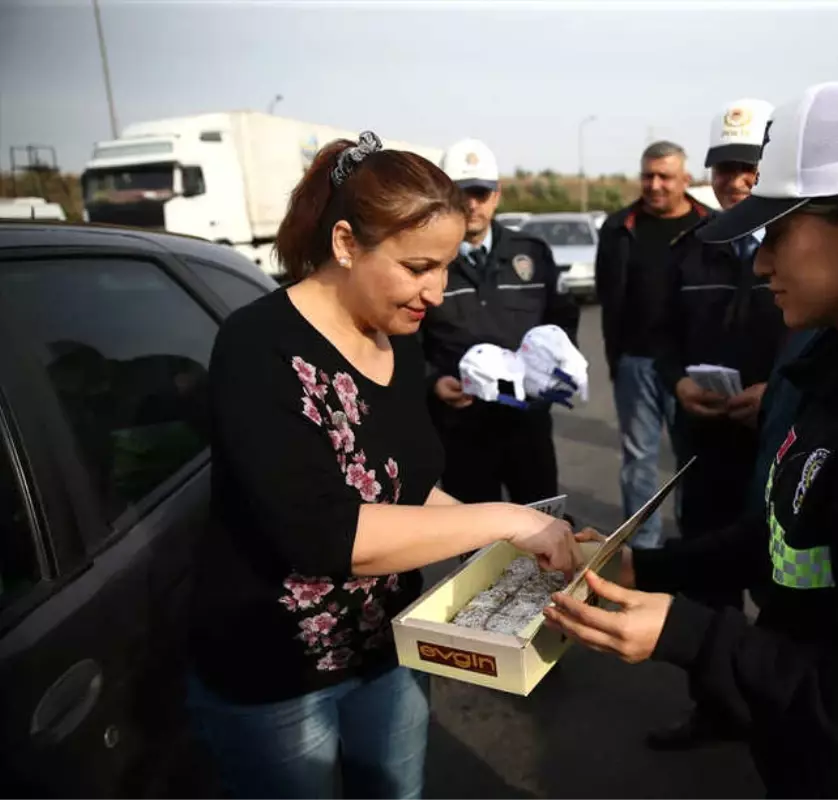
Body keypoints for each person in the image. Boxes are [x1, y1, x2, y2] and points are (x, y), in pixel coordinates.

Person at [547, 82, 838, 799]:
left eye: (777, 232)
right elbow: (790, 539)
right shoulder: (837, 371)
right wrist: (644, 570)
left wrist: (690, 636)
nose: (761, 262)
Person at [186, 132, 583, 800]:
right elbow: (326, 536)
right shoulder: (259, 347)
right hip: (274, 673)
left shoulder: (394, 338)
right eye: (418, 266)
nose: (436, 291)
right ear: (346, 244)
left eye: (447, 267)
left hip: (387, 654)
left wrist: (532, 539)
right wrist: (509, 518)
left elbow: (407, 485)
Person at [646, 98, 787, 749]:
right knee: (709, 580)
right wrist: (677, 384)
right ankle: (716, 708)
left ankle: (781, 709)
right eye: (727, 167)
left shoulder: (799, 244)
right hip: (707, 443)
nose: (737, 181)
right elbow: (664, 339)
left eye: (750, 166)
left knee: (785, 585)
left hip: (781, 445)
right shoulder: (691, 248)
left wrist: (775, 392)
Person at [421, 138, 579, 504]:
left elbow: (563, 322)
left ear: (496, 194)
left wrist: (554, 367)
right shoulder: (425, 261)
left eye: (480, 192)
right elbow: (405, 342)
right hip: (461, 431)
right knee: (477, 546)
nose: (472, 204)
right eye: (462, 193)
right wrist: (433, 381)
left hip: (527, 423)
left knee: (541, 533)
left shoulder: (532, 255)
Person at [596, 141, 710, 549]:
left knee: (691, 458)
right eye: (649, 175)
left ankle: (693, 543)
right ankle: (642, 549)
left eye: (665, 176)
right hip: (637, 363)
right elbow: (607, 296)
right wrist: (615, 358)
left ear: (686, 179)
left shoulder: (708, 226)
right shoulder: (618, 228)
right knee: (638, 459)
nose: (656, 184)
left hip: (691, 368)